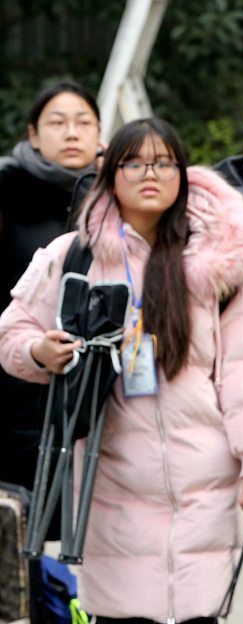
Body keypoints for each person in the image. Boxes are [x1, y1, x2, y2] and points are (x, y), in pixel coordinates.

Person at [0, 117, 243, 624]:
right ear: (109, 172)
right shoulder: (74, 255)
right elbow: (11, 332)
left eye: (164, 162)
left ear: (182, 173)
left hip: (204, 484)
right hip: (110, 487)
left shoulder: (214, 266)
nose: (150, 173)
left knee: (197, 615)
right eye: (134, 162)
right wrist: (42, 350)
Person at [0, 80, 102, 496]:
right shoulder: (7, 190)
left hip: (99, 390)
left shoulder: (123, 193)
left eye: (83, 122)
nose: (72, 132)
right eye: (57, 122)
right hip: (15, 386)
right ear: (33, 135)